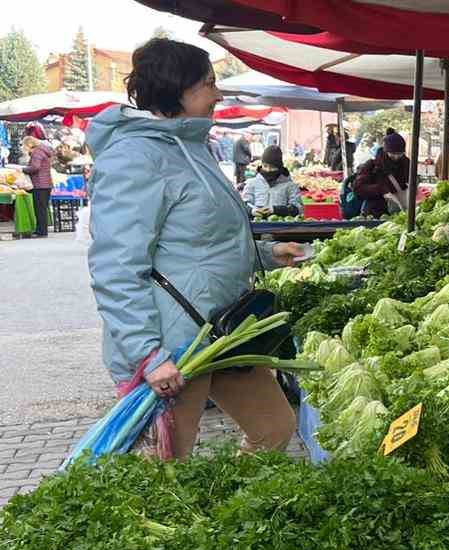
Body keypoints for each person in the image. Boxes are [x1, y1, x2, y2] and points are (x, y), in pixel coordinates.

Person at [86, 38, 304, 457]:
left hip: (222, 328)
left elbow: (204, 236)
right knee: (170, 465)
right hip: (175, 342)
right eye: (208, 83)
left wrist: (266, 254)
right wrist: (148, 354)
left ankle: (234, 498)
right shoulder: (133, 158)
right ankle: (197, 502)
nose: (217, 94)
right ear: (176, 88)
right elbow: (116, 266)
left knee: (274, 426)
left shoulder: (192, 147)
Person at [350, 130, 412, 215]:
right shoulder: (372, 165)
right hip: (376, 212)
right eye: (393, 153)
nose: (396, 156)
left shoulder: (407, 164)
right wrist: (381, 190)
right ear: (386, 151)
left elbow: (411, 183)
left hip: (401, 212)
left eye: (400, 153)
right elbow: (357, 188)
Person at [242, 145, 304, 217]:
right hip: (256, 223)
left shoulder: (290, 186)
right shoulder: (252, 183)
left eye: (272, 167)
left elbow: (298, 209)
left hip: (280, 223)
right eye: (265, 166)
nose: (268, 170)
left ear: (279, 167)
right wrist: (252, 211)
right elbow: (243, 205)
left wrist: (276, 210)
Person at [22, 124, 53, 239]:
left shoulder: (37, 152)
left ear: (29, 144)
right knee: (42, 208)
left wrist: (23, 169)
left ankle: (41, 231)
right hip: (46, 184)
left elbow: (35, 167)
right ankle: (41, 230)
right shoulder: (43, 150)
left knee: (40, 209)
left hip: (40, 184)